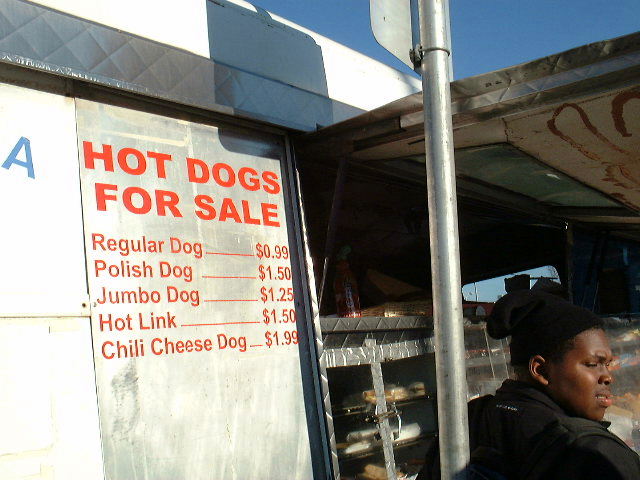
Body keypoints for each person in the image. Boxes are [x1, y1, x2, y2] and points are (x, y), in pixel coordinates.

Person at [418, 290, 640, 479]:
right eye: (593, 364)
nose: (608, 377)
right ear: (540, 370)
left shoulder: (472, 420)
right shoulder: (594, 453)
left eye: (608, 365)